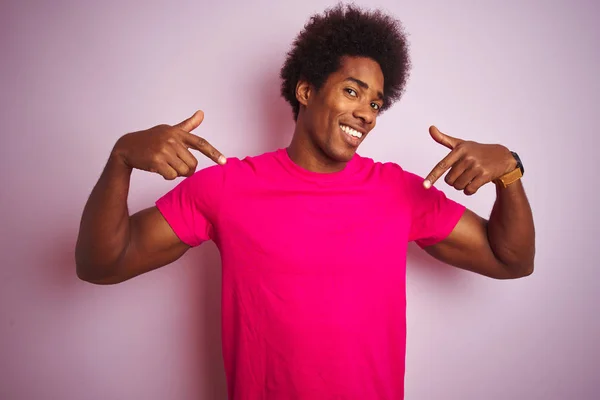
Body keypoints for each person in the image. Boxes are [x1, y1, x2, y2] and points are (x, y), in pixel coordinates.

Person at [75, 4, 535, 399]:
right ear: (306, 90)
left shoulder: (402, 193)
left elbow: (510, 259)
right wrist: (120, 160)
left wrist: (510, 173)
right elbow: (102, 263)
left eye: (376, 103)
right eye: (352, 91)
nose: (365, 113)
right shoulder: (225, 188)